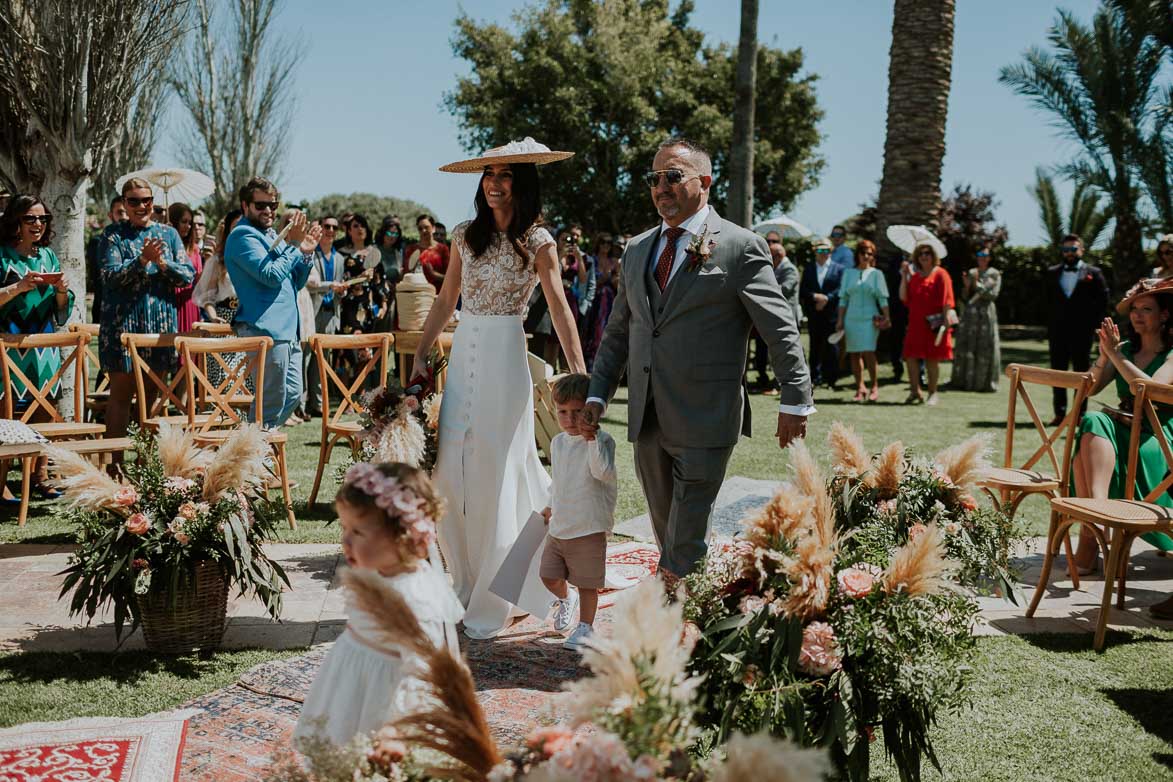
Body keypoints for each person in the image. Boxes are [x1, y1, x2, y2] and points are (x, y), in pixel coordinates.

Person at [581, 137, 812, 589]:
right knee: (668, 526)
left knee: (684, 539)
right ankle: (690, 605)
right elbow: (619, 331)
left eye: (673, 176)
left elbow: (779, 327)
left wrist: (795, 398)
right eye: (654, 179)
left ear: (704, 182)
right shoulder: (637, 249)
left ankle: (677, 630)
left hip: (707, 413)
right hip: (647, 415)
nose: (661, 188)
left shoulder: (740, 247)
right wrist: (597, 391)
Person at [414, 137, 585, 639]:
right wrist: (423, 351)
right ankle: (465, 584)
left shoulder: (538, 241)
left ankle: (499, 591)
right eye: (488, 174)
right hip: (464, 352)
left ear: (523, 182)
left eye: (505, 175)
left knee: (497, 470)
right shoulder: (466, 234)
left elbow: (558, 305)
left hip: (506, 357)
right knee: (449, 472)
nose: (493, 184)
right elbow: (447, 299)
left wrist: (576, 371)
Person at [293, 462, 463, 746]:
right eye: (344, 528)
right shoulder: (375, 571)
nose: (345, 541)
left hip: (380, 693)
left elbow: (423, 669)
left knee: (363, 751)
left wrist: (398, 728)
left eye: (358, 532)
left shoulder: (413, 598)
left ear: (403, 538)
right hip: (350, 674)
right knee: (335, 740)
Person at [1069, 279, 1173, 592]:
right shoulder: (1124, 350)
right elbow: (1089, 387)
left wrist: (1116, 356)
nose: (1138, 315)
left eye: (1147, 309)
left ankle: (1091, 538)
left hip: (1158, 434)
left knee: (1085, 447)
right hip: (1122, 427)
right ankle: (1099, 512)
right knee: (1094, 420)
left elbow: (1150, 392)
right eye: (1134, 310)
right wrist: (1104, 355)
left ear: (1165, 315)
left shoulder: (1171, 352)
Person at [98, 179, 194, 449]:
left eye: (147, 201)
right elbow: (109, 277)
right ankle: (113, 467)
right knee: (120, 396)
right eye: (134, 201)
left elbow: (187, 275)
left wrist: (162, 263)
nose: (141, 206)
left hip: (160, 326)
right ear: (124, 204)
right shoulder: (113, 235)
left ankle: (147, 466)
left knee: (153, 397)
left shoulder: (169, 234)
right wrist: (141, 260)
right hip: (124, 326)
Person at [223, 176, 320, 429]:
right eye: (261, 205)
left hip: (288, 330)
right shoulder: (242, 236)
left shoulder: (273, 235)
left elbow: (294, 283)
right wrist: (295, 246)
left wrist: (306, 252)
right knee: (270, 401)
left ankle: (255, 447)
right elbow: (271, 275)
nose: (268, 210)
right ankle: (255, 453)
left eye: (273, 205)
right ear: (245, 206)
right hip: (264, 328)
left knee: (292, 394)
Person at [0, 196, 75, 496]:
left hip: (44, 346)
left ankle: (40, 476)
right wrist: (18, 287)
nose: (38, 224)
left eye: (42, 219)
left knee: (45, 410)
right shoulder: (2, 257)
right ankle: (2, 483)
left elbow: (61, 311)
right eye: (31, 218)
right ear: (16, 220)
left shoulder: (49, 257)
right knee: (8, 412)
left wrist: (61, 291)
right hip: (9, 344)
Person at [539, 373, 617, 651]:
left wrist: (592, 439)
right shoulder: (558, 442)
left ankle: (585, 627)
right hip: (560, 526)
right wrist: (550, 505)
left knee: (587, 583)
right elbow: (558, 480)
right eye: (562, 412)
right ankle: (565, 598)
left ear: (591, 412)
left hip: (587, 526)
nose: (569, 419)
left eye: (578, 412)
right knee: (548, 575)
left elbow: (603, 473)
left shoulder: (602, 441)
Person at [1046, 234, 1110, 426]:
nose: (1070, 253)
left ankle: (1079, 414)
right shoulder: (1051, 272)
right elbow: (1046, 301)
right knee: (1058, 372)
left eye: (1073, 249)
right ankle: (1059, 413)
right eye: (1066, 250)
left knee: (1082, 373)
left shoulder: (1094, 273)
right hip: (1058, 332)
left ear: (1081, 250)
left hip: (1083, 332)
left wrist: (1095, 326)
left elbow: (1103, 300)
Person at [193, 210, 244, 390]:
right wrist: (213, 317)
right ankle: (222, 416)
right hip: (224, 321)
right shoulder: (217, 260)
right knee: (225, 379)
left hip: (248, 321)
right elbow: (206, 296)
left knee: (247, 379)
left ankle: (245, 418)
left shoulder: (254, 258)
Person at [899, 242, 954, 406]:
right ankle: (915, 391)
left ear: (933, 256)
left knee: (932, 359)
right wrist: (904, 275)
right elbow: (904, 297)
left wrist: (945, 324)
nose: (924, 256)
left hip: (934, 324)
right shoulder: (915, 277)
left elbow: (947, 300)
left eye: (927, 253)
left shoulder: (941, 274)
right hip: (915, 323)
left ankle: (933, 393)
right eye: (921, 253)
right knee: (910, 357)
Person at [835, 239, 890, 402]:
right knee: (853, 353)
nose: (866, 256)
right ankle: (860, 387)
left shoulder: (876, 274)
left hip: (870, 319)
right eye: (863, 253)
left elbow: (883, 298)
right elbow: (843, 299)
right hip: (851, 318)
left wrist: (887, 317)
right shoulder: (848, 273)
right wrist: (840, 320)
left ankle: (874, 386)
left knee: (868, 352)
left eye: (870, 253)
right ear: (858, 254)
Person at [304, 216, 347, 417]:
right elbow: (308, 284)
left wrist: (341, 291)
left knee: (324, 361)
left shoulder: (340, 259)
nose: (330, 230)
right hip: (312, 312)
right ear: (320, 228)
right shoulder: (311, 253)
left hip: (331, 314)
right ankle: (302, 405)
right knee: (305, 360)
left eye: (334, 227)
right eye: (327, 226)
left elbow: (338, 286)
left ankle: (318, 404)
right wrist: (330, 285)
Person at [749, 230, 800, 395]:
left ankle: (782, 384)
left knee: (785, 352)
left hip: (787, 317)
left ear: (778, 255)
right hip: (771, 317)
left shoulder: (790, 269)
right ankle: (770, 381)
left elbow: (783, 290)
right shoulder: (775, 268)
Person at [951, 243, 1002, 392]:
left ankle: (984, 383)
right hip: (970, 314)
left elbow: (993, 295)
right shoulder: (972, 272)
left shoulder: (994, 274)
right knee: (968, 345)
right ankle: (965, 381)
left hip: (986, 314)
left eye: (985, 256)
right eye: (980, 256)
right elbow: (965, 297)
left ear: (990, 258)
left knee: (985, 346)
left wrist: (979, 286)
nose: (983, 259)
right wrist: (967, 286)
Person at [800, 236, 843, 389]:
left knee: (832, 347)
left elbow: (841, 290)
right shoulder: (809, 268)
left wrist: (827, 298)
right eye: (820, 250)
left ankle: (831, 378)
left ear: (831, 251)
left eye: (826, 250)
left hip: (831, 314)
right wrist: (814, 297)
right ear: (815, 252)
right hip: (814, 314)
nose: (823, 253)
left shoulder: (838, 269)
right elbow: (803, 290)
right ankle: (815, 377)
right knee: (815, 347)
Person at [85, 196, 127, 323]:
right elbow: (97, 276)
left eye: (126, 212)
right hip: (105, 303)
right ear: (111, 215)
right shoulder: (98, 241)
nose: (124, 216)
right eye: (120, 212)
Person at [584, 232, 620, 369]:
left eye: (609, 243)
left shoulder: (614, 262)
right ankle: (590, 364)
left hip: (610, 301)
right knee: (593, 331)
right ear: (598, 244)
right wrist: (605, 277)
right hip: (595, 300)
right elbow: (590, 282)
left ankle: (606, 364)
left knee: (607, 330)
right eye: (603, 242)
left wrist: (614, 278)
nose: (606, 245)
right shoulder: (591, 260)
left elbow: (619, 285)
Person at [168, 202, 203, 333]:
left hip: (189, 300)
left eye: (190, 223)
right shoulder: (166, 245)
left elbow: (199, 281)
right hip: (171, 299)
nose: (188, 226)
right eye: (184, 221)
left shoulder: (194, 249)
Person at [403, 214, 449, 292]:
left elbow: (450, 278)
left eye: (426, 227)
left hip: (438, 295)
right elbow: (406, 275)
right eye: (420, 228)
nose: (423, 230)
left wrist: (434, 274)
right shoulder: (411, 249)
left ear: (433, 228)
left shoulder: (443, 249)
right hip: (416, 295)